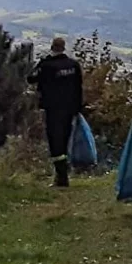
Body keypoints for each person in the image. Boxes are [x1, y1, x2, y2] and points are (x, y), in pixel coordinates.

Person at [27, 37, 83, 187]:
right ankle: (63, 176)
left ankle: (61, 177)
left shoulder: (47, 66)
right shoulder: (74, 65)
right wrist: (77, 109)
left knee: (55, 142)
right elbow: (79, 89)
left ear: (52, 47)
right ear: (64, 48)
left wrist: (40, 62)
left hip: (53, 109)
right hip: (70, 110)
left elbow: (31, 78)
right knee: (64, 140)